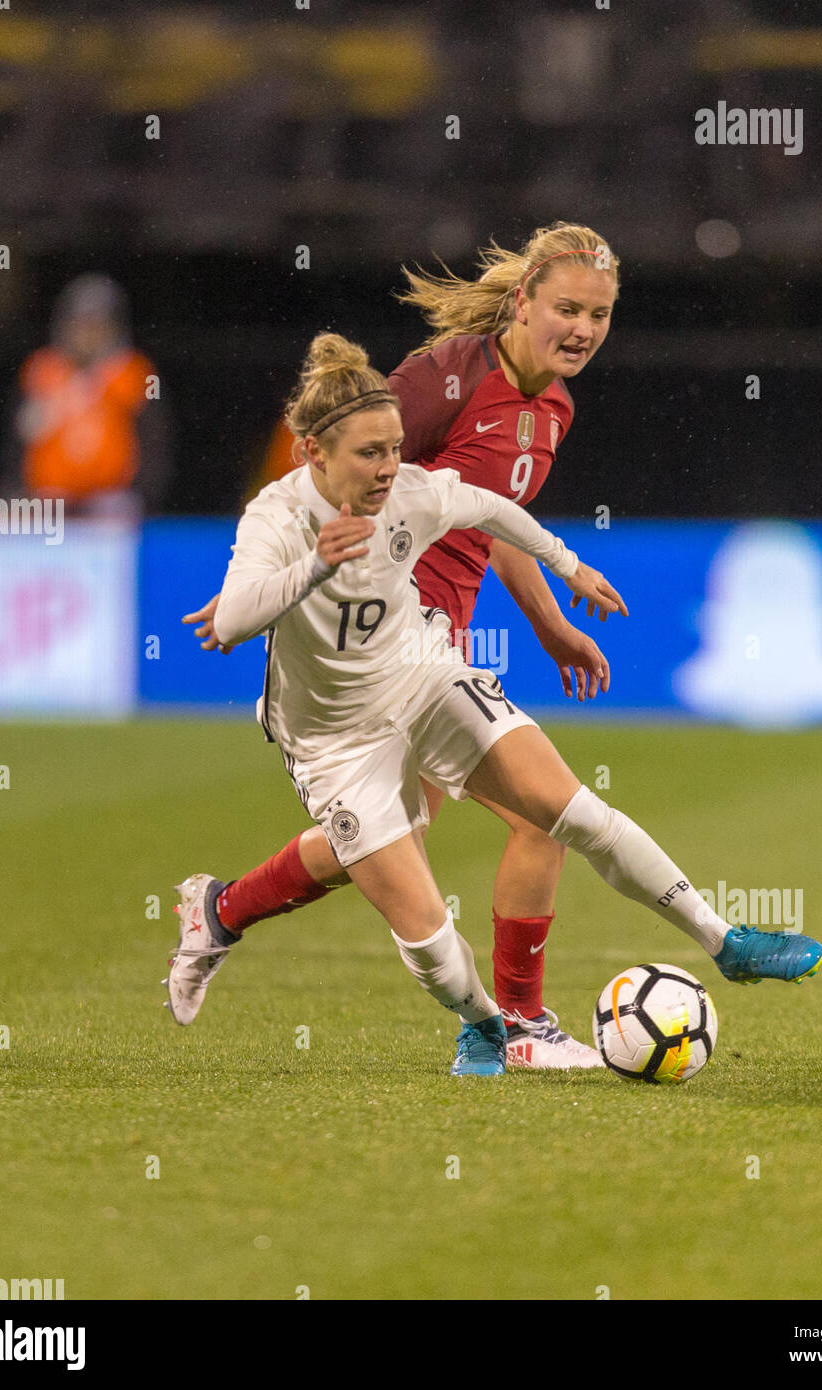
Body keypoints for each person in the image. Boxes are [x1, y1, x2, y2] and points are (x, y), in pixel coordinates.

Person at [165, 332, 822, 1077]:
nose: (388, 468)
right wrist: (317, 564)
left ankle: (723, 941)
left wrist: (568, 566)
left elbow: (492, 508)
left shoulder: (412, 490)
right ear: (313, 452)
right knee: (428, 938)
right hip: (335, 740)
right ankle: (484, 1025)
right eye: (368, 454)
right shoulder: (277, 518)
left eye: (393, 449)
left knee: (569, 810)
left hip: (422, 675)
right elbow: (229, 621)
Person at [181, 223, 630, 1068]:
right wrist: (265, 573)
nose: (582, 329)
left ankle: (223, 911)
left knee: (393, 836)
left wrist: (548, 621)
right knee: (524, 821)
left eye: (599, 314)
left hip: (440, 636)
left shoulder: (554, 409)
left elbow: (473, 514)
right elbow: (344, 460)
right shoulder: (444, 378)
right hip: (384, 645)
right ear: (523, 300)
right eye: (567, 308)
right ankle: (517, 1028)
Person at [0, 274, 171, 520]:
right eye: (80, 324)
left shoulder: (134, 373)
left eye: (98, 324)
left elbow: (154, 442)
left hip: (111, 502)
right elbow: (18, 440)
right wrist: (15, 487)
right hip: (47, 500)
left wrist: (144, 497)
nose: (88, 334)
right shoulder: (43, 370)